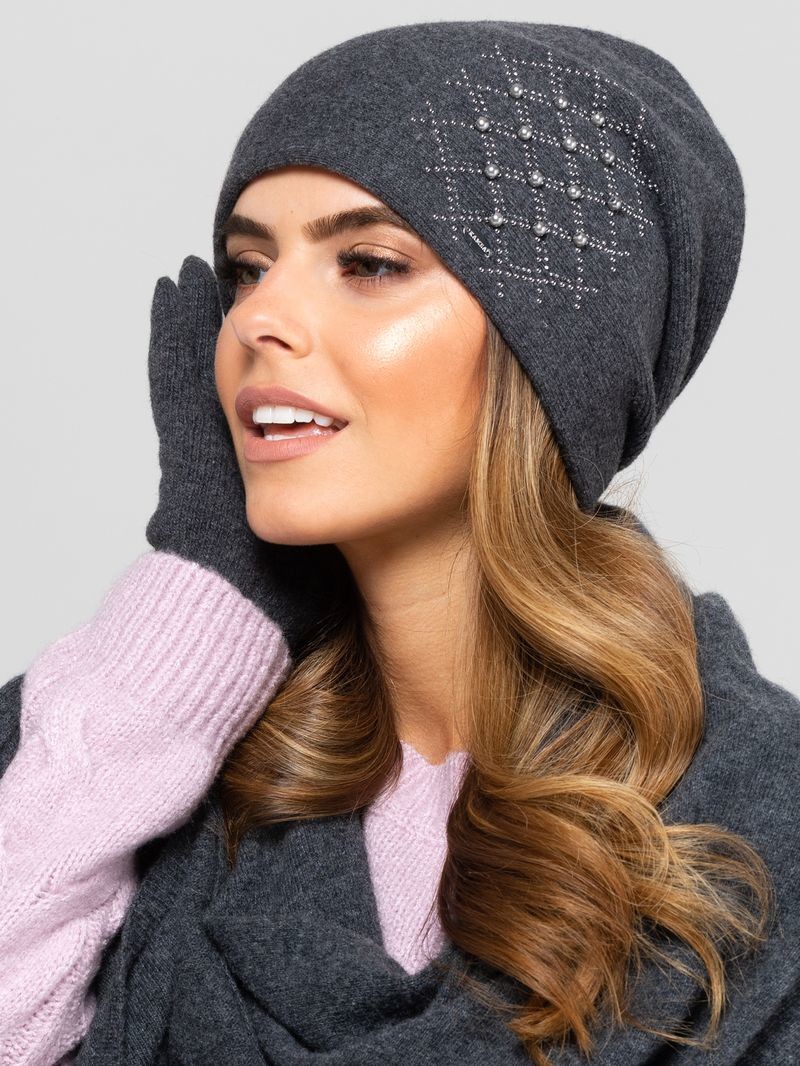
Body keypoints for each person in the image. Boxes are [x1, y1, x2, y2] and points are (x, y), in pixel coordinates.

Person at [1, 19, 798, 1066]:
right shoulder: (116, 747)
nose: (257, 319)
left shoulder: (758, 808)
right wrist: (198, 602)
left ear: (551, 355)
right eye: (247, 268)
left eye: (368, 263)